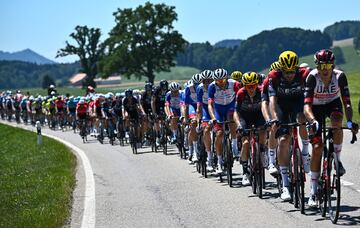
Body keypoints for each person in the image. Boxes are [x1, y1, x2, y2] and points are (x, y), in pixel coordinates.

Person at [303, 49, 359, 207]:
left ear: (333, 65)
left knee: (337, 123)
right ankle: (313, 192)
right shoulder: (312, 77)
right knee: (317, 147)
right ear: (317, 66)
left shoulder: (339, 76)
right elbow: (306, 105)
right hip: (314, 108)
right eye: (321, 66)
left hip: (332, 104)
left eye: (328, 65)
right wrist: (313, 121)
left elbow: (346, 102)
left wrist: (349, 122)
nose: (325, 69)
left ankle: (337, 161)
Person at [268, 50, 310, 201]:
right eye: (286, 72)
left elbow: (310, 98)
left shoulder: (304, 74)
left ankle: (305, 154)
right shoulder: (274, 77)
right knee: (284, 140)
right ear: (280, 69)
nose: (290, 75)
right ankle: (285, 185)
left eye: (292, 71)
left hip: (298, 104)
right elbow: (272, 102)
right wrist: (274, 118)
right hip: (282, 106)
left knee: (302, 119)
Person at [234, 72, 266, 186]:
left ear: (257, 84)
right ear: (244, 86)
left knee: (263, 131)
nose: (251, 88)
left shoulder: (261, 91)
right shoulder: (241, 93)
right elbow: (236, 112)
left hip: (258, 114)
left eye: (253, 85)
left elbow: (265, 106)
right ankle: (245, 172)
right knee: (246, 143)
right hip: (244, 117)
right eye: (248, 86)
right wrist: (238, 125)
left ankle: (262, 152)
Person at [208, 68, 241, 173]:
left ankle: (235, 147)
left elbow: (240, 98)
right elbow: (210, 104)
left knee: (232, 121)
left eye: (222, 80)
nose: (220, 83)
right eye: (218, 81)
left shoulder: (234, 84)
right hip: (218, 109)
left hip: (230, 106)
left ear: (227, 78)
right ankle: (219, 161)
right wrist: (213, 117)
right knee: (219, 133)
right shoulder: (212, 86)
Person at [196, 70, 214, 170]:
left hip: (216, 107)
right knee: (205, 129)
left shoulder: (215, 86)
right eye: (204, 81)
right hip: (205, 108)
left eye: (209, 81)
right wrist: (199, 122)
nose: (207, 83)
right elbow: (198, 107)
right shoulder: (200, 88)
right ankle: (209, 156)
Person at [183, 73, 202, 163]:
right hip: (192, 106)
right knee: (193, 123)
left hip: (201, 106)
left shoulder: (204, 87)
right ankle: (193, 151)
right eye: (196, 85)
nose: (197, 86)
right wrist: (186, 119)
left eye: (199, 84)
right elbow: (186, 106)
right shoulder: (188, 88)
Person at [152, 80, 169, 146]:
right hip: (157, 105)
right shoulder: (157, 90)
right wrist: (154, 112)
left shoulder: (168, 90)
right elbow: (152, 101)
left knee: (167, 119)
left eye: (165, 87)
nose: (164, 88)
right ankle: (158, 135)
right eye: (163, 87)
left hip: (165, 105)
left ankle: (167, 131)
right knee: (156, 120)